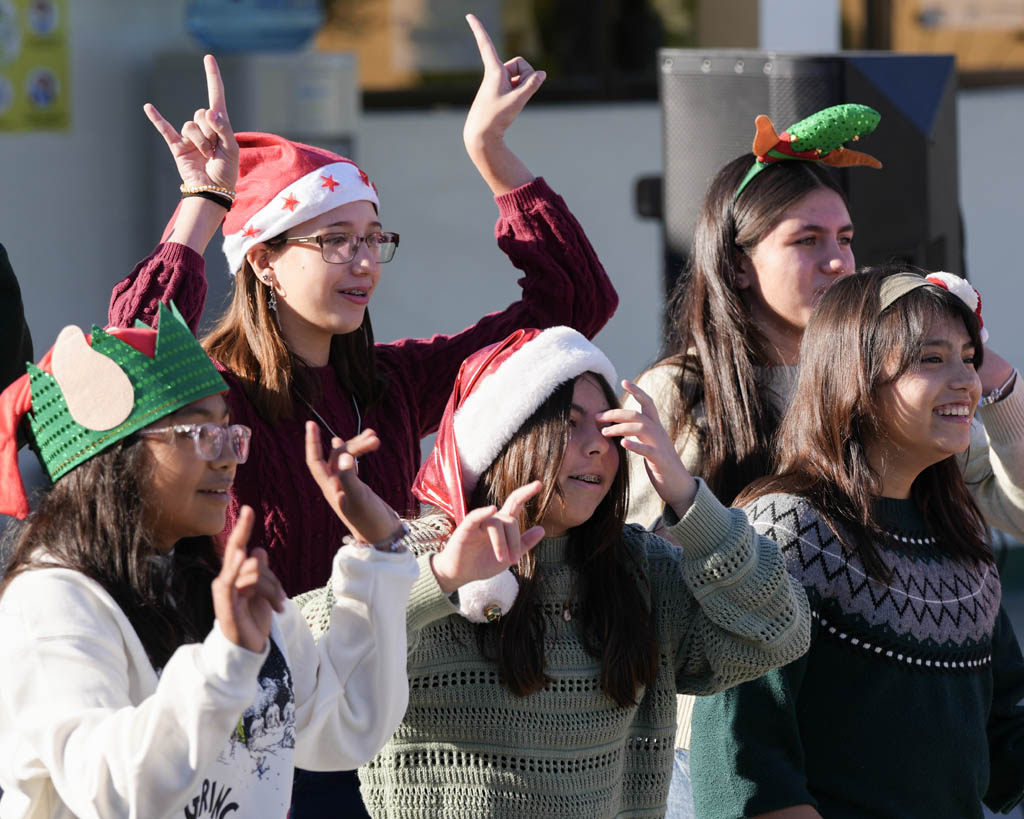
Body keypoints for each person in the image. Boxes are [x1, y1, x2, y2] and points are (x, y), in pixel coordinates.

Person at [108, 17, 617, 601]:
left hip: (384, 686)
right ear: (263, 262)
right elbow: (130, 356)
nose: (364, 262)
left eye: (374, 238)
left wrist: (489, 150)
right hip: (254, 682)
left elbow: (573, 306)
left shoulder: (392, 384)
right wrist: (204, 201)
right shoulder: (215, 390)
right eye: (335, 241)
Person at [626, 107, 1024, 818]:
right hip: (707, 740)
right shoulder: (683, 394)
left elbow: (1013, 513)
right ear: (738, 266)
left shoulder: (915, 428)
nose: (838, 259)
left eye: (844, 238)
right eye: (807, 240)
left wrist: (991, 382)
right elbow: (650, 581)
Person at [298, 325, 813, 817]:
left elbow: (778, 634)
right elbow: (302, 654)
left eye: (608, 427)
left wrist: (686, 495)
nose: (598, 446)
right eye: (569, 425)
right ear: (505, 441)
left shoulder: (640, 568)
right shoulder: (430, 552)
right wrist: (442, 577)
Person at [0, 302, 418, 818]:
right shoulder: (51, 597)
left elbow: (347, 723)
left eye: (230, 432)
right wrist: (227, 664)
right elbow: (108, 790)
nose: (228, 456)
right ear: (114, 460)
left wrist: (377, 550)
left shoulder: (213, 584)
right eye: (199, 433)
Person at [689, 268, 1024, 818]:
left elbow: (1004, 737)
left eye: (968, 357)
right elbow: (742, 766)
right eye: (932, 359)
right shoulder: (783, 532)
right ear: (855, 377)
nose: (967, 380)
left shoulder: (963, 547)